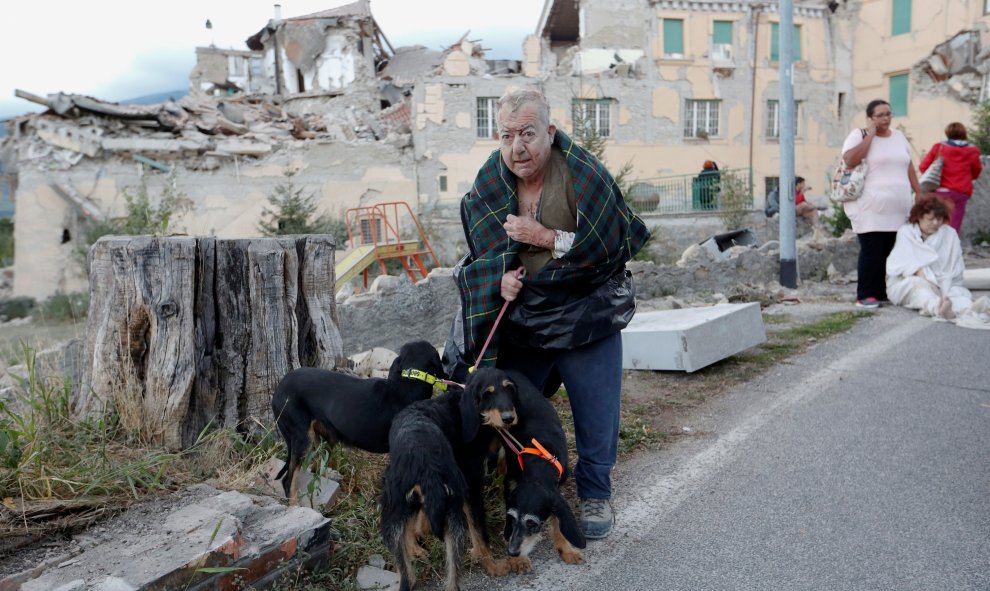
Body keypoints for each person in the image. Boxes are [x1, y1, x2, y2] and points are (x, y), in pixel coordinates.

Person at [456, 88, 650, 540]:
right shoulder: (491, 179)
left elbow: (603, 245)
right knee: (511, 404)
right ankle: (525, 482)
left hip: (587, 313)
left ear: (550, 131)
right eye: (506, 136)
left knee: (596, 409)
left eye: (527, 133)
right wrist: (498, 279)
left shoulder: (584, 175)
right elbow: (484, 255)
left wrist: (542, 236)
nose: (517, 147)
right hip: (525, 317)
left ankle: (596, 491)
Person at [841, 99, 926, 309]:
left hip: (898, 207)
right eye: (880, 115)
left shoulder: (898, 137)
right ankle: (865, 295)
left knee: (890, 250)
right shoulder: (858, 135)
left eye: (888, 114)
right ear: (870, 118)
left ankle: (881, 292)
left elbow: (908, 166)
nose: (886, 118)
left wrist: (919, 192)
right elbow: (850, 160)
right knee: (872, 250)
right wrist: (870, 135)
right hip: (870, 207)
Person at [886, 196, 972, 320]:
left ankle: (966, 308)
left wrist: (942, 287)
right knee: (919, 288)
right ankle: (938, 308)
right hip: (907, 282)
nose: (936, 223)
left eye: (939, 219)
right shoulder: (906, 233)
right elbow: (903, 265)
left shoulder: (949, 234)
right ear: (920, 217)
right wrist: (932, 286)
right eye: (931, 219)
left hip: (943, 281)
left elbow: (953, 267)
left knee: (957, 294)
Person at [919, 122, 982, 233]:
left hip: (939, 192)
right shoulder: (973, 150)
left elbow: (923, 167)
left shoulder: (939, 147)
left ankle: (933, 248)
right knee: (953, 227)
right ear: (964, 133)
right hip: (960, 193)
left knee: (935, 225)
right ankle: (949, 248)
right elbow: (976, 172)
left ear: (947, 133)